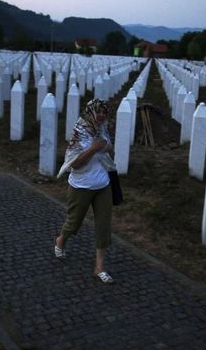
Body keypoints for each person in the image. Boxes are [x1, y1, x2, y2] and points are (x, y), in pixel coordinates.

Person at [55, 99, 116, 284]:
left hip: (103, 185)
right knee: (74, 223)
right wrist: (93, 149)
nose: (101, 116)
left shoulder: (103, 129)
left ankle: (99, 268)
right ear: (90, 112)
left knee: (103, 227)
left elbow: (110, 151)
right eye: (98, 112)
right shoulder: (79, 132)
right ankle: (61, 240)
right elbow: (75, 163)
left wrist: (105, 147)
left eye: (104, 113)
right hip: (81, 186)